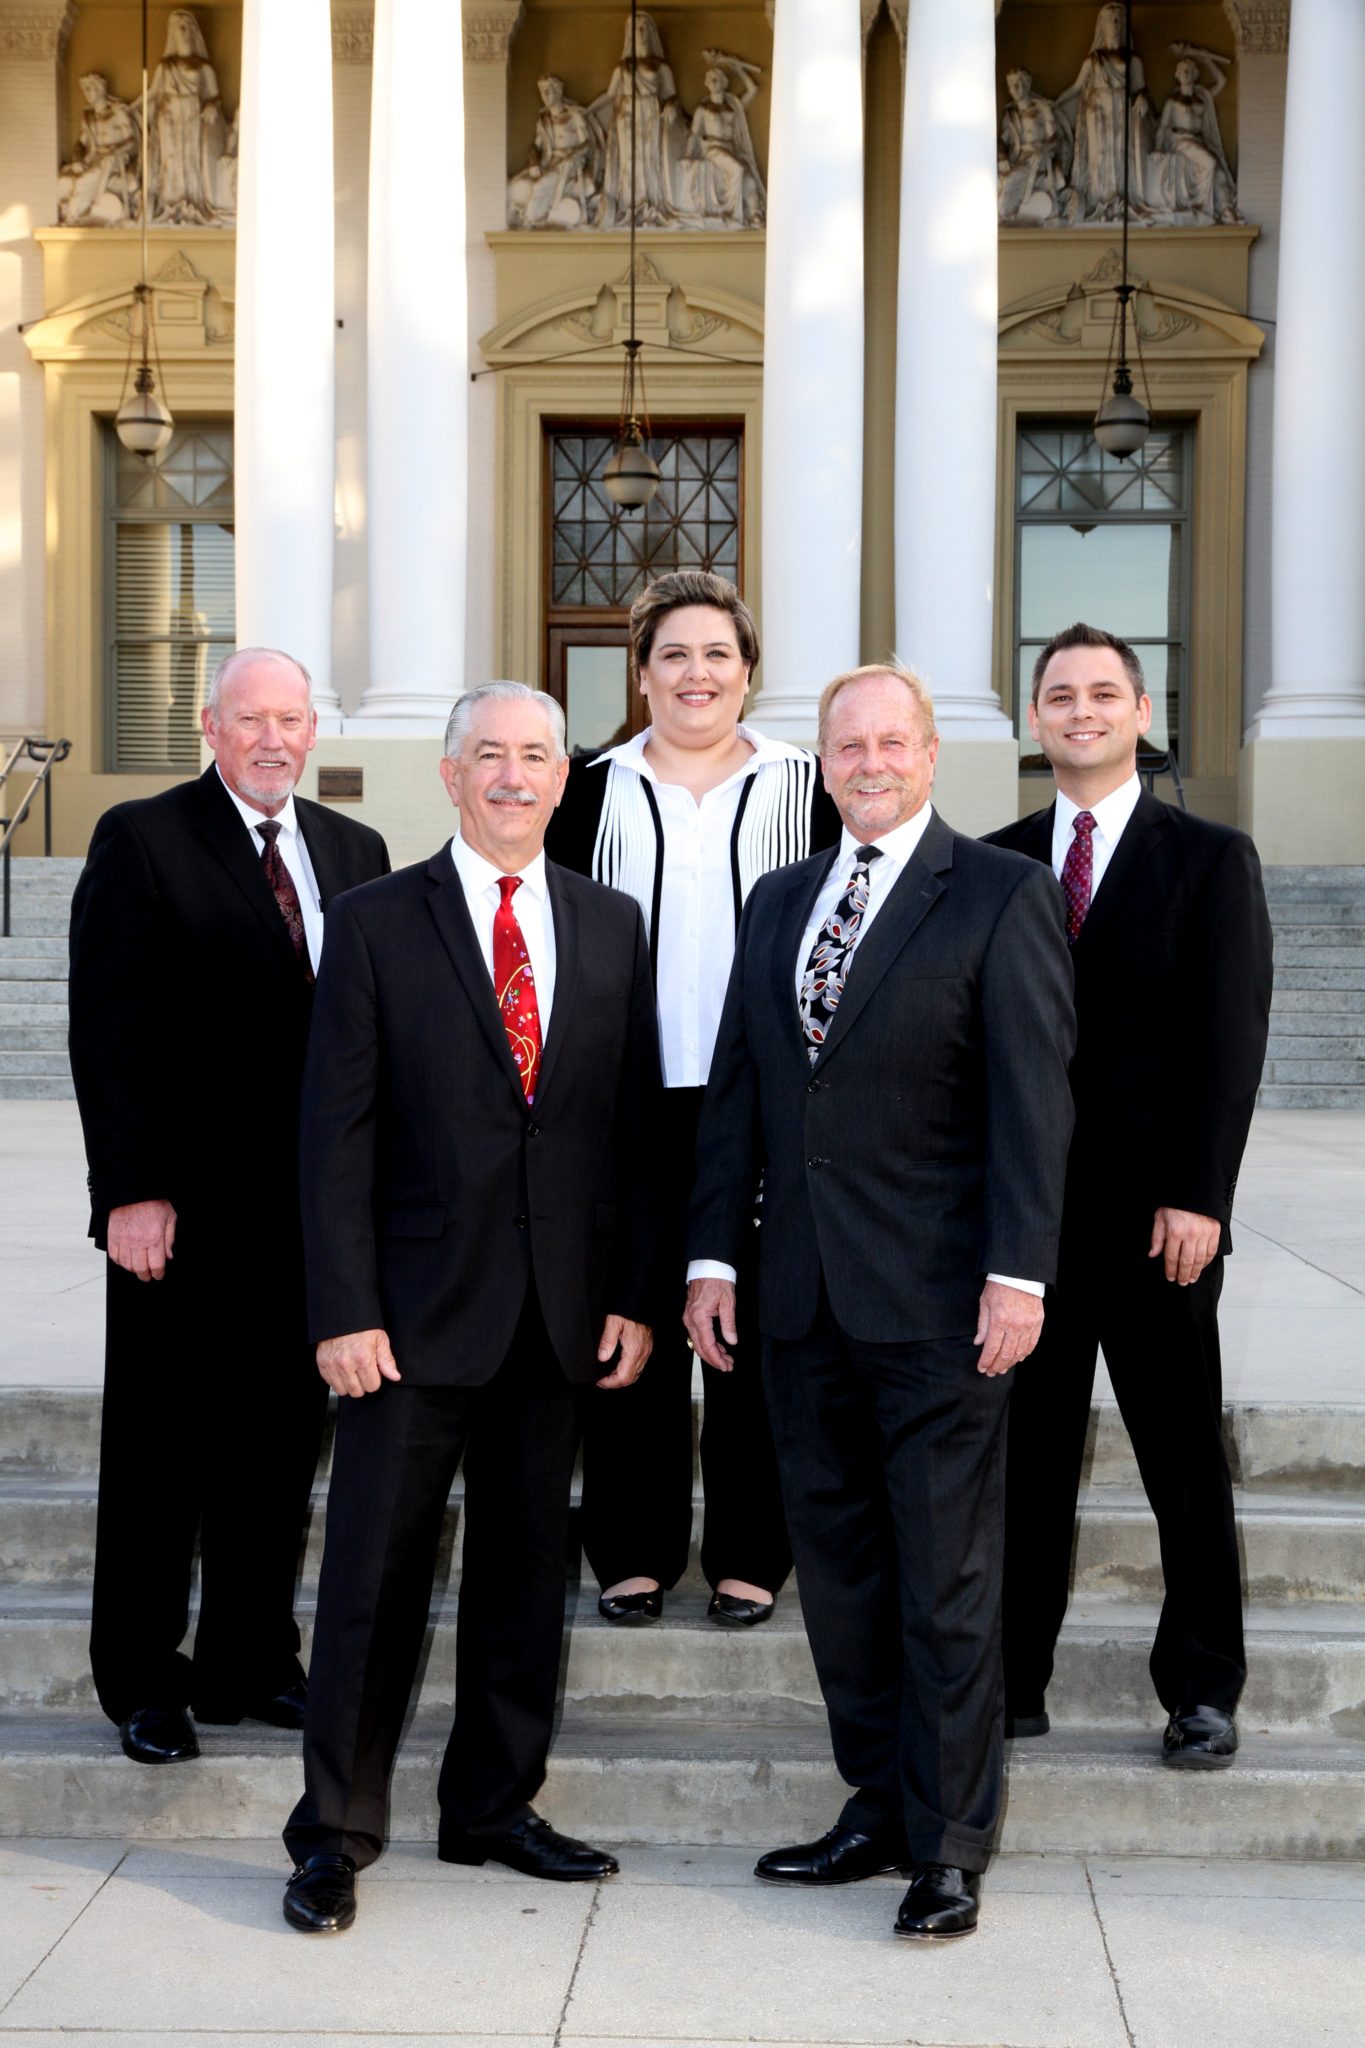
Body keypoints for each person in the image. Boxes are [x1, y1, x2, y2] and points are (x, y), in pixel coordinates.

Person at [685, 663, 1075, 1940]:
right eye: (847, 745)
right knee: (844, 1574)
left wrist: (1019, 1273)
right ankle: (877, 1803)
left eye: (891, 742)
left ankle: (950, 1842)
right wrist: (712, 1256)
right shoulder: (779, 896)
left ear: (930, 753)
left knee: (946, 1581)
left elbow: (1034, 1101)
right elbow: (741, 1088)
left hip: (943, 1307)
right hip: (799, 1302)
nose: (869, 763)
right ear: (824, 761)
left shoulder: (1003, 893)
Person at [281, 682, 661, 1936]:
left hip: (556, 1316)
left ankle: (493, 1804)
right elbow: (334, 1134)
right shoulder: (374, 920)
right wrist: (343, 1307)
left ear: (563, 778)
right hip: (405, 1322)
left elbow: (629, 1128)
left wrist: (633, 1292)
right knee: (370, 1585)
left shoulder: (610, 922)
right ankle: (333, 1831)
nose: (512, 775)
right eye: (488, 754)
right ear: (450, 775)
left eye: (535, 755)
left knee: (524, 1577)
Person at [67, 648, 390, 1766]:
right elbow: (108, 1028)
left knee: (277, 1446)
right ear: (210, 727)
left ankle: (249, 1659)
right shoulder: (143, 837)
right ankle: (142, 1677)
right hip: (181, 1217)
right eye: (249, 719)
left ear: (313, 732)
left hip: (309, 1218)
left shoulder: (353, 850)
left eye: (289, 720)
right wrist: (130, 1191)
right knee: (162, 1452)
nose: (271, 739)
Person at [984, 622, 1272, 1769]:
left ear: (1143, 714)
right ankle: (1011, 1680)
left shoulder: (1210, 858)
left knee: (1182, 1463)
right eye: (1061, 694)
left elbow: (1228, 1039)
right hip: (1029, 1227)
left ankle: (1202, 1685)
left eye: (1105, 692)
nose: (1083, 710)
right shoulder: (996, 862)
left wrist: (1201, 1193)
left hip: (1162, 1226)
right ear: (1036, 718)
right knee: (1027, 1464)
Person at [546, 572, 840, 1630]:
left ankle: (752, 1549)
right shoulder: (584, 789)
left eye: (717, 653)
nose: (695, 673)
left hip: (766, 1102)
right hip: (621, 1099)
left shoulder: (811, 786)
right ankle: (631, 1545)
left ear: (748, 671)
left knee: (754, 1322)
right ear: (641, 673)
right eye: (673, 654)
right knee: (628, 1312)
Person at [1056, 3, 1152, 220]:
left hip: (1122, 108)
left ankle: (1120, 200)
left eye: (1119, 19)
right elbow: (1076, 88)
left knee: (1120, 151)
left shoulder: (1133, 59)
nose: (1115, 23)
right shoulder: (1093, 59)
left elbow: (1141, 88)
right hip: (1097, 110)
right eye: (1110, 19)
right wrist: (1056, 104)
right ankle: (1099, 202)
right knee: (1099, 153)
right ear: (1102, 25)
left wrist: (1143, 97)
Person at [592, 9, 687, 227]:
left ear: (651, 32)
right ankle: (629, 205)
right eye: (636, 28)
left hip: (652, 112)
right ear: (630, 34)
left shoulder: (661, 67)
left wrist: (670, 105)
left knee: (650, 157)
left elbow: (672, 96)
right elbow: (610, 94)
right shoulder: (622, 67)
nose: (641, 32)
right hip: (627, 114)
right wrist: (588, 111)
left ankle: (651, 203)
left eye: (644, 27)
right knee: (629, 158)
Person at [146, 8, 227, 226]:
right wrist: (130, 109)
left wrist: (212, 106)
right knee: (170, 158)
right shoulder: (165, 66)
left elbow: (215, 97)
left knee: (190, 158)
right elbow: (152, 94)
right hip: (169, 114)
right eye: (177, 28)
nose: (182, 32)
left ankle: (192, 202)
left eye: (185, 27)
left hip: (192, 114)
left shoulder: (204, 68)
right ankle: (170, 204)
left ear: (193, 31)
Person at [1146, 47, 1240, 225]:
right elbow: (1163, 127)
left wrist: (1206, 59)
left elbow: (1222, 80)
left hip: (1199, 142)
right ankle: (1204, 208)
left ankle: (1224, 208)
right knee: (1210, 163)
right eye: (1182, 69)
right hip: (1181, 142)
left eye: (1188, 69)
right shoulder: (1173, 102)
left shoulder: (1202, 98)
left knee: (1220, 174)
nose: (1185, 72)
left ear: (1195, 74)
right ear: (1177, 75)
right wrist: (1158, 148)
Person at [507, 75, 601, 231]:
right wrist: (534, 162)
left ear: (558, 92)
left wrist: (572, 156)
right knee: (519, 184)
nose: (544, 95)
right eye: (541, 91)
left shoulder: (574, 115)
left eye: (548, 90)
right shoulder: (544, 121)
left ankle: (530, 220)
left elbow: (587, 143)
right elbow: (536, 147)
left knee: (541, 186)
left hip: (570, 163)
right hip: (549, 162)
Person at [680, 57, 766, 227]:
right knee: (738, 169)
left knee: (749, 180)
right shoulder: (703, 110)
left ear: (724, 83)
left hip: (731, 150)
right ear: (706, 84)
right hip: (713, 149)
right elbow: (694, 134)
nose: (713, 81)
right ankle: (733, 213)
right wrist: (688, 155)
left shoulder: (733, 107)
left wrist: (738, 68)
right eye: (710, 79)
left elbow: (753, 89)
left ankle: (755, 214)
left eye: (717, 78)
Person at [57, 74, 139, 227]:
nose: (86, 93)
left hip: (115, 159)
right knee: (65, 181)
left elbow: (131, 141)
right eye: (84, 90)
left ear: (100, 90)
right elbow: (80, 143)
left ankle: (72, 216)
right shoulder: (89, 118)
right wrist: (77, 159)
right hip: (94, 159)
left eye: (89, 89)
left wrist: (112, 151)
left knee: (85, 180)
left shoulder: (117, 112)